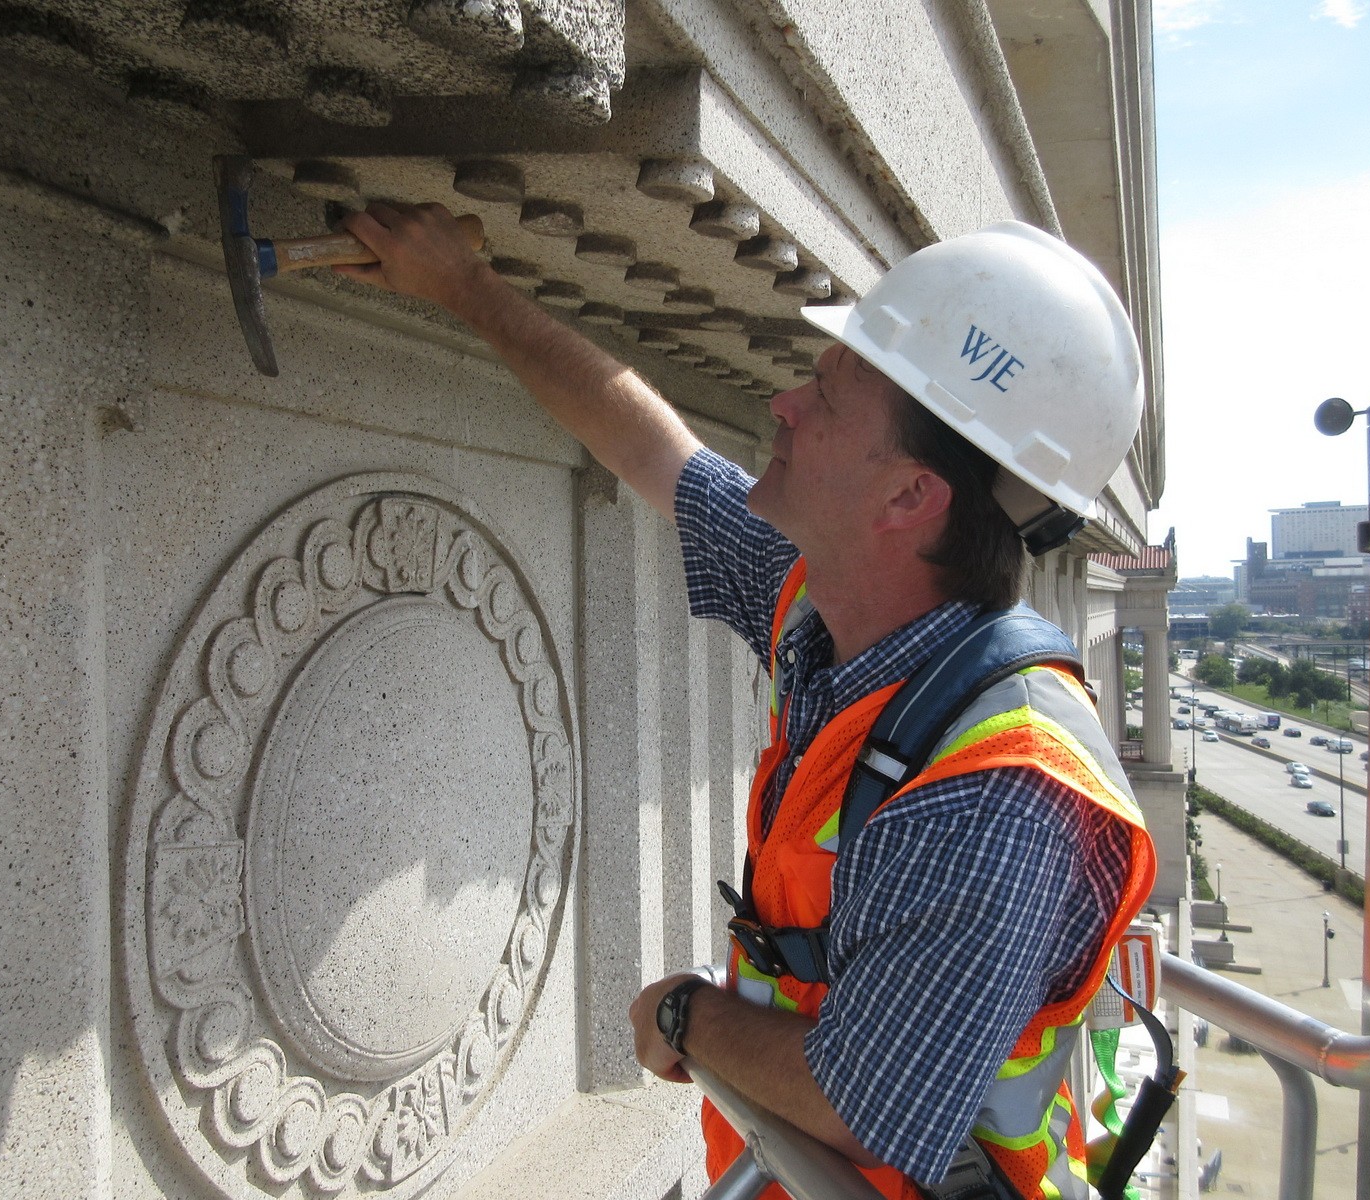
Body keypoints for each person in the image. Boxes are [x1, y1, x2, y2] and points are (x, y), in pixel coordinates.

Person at [335, 208, 1156, 1200]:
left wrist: (687, 1014)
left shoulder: (999, 784)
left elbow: (866, 1104)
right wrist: (466, 289)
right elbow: (652, 450)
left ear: (908, 497)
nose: (783, 402)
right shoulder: (833, 606)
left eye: (827, 396)